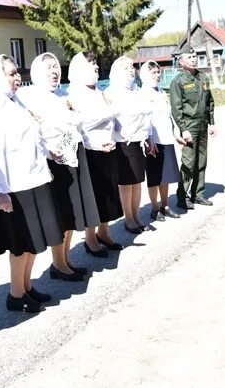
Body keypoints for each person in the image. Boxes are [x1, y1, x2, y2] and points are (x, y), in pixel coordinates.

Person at [0, 54, 65, 314]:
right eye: (11, 74)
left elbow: (34, 135)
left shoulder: (16, 102)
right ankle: (15, 294)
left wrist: (50, 153)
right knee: (20, 243)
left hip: (34, 178)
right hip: (13, 187)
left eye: (16, 73)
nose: (16, 78)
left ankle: (26, 286)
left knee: (34, 240)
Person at [18, 52, 106, 278]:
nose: (54, 71)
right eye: (48, 68)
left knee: (73, 213)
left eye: (55, 67)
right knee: (62, 213)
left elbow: (75, 124)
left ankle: (65, 259)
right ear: (37, 72)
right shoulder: (30, 97)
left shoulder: (63, 95)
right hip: (54, 161)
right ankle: (58, 264)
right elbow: (37, 131)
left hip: (73, 155)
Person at [66, 52, 124, 251]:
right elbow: (79, 123)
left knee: (109, 194)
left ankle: (104, 232)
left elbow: (112, 118)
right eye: (91, 64)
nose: (96, 67)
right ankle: (90, 238)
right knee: (95, 197)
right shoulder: (74, 94)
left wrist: (113, 138)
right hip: (90, 151)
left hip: (109, 148)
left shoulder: (100, 92)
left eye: (96, 63)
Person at [105, 56, 155, 234]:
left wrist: (148, 137)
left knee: (137, 181)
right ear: (118, 71)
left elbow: (145, 116)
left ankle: (136, 216)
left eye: (132, 67)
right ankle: (128, 218)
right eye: (126, 68)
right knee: (126, 183)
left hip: (137, 142)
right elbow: (111, 118)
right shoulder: (112, 92)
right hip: (122, 143)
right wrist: (120, 132)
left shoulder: (136, 90)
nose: (131, 70)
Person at [169, 46, 216, 210]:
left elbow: (209, 101)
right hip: (189, 125)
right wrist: (183, 129)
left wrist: (212, 122)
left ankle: (198, 194)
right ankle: (182, 196)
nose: (193, 59)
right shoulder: (178, 81)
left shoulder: (203, 77)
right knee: (189, 162)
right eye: (189, 58)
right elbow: (176, 108)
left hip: (203, 124)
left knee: (202, 160)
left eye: (195, 57)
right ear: (181, 62)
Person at [139, 60, 183, 221]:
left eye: (158, 72)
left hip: (166, 137)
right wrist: (149, 139)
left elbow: (169, 115)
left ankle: (165, 206)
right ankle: (154, 207)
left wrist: (176, 132)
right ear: (145, 74)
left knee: (167, 175)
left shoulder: (162, 92)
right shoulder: (142, 93)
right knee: (154, 176)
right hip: (153, 140)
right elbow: (144, 119)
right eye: (153, 73)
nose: (157, 75)